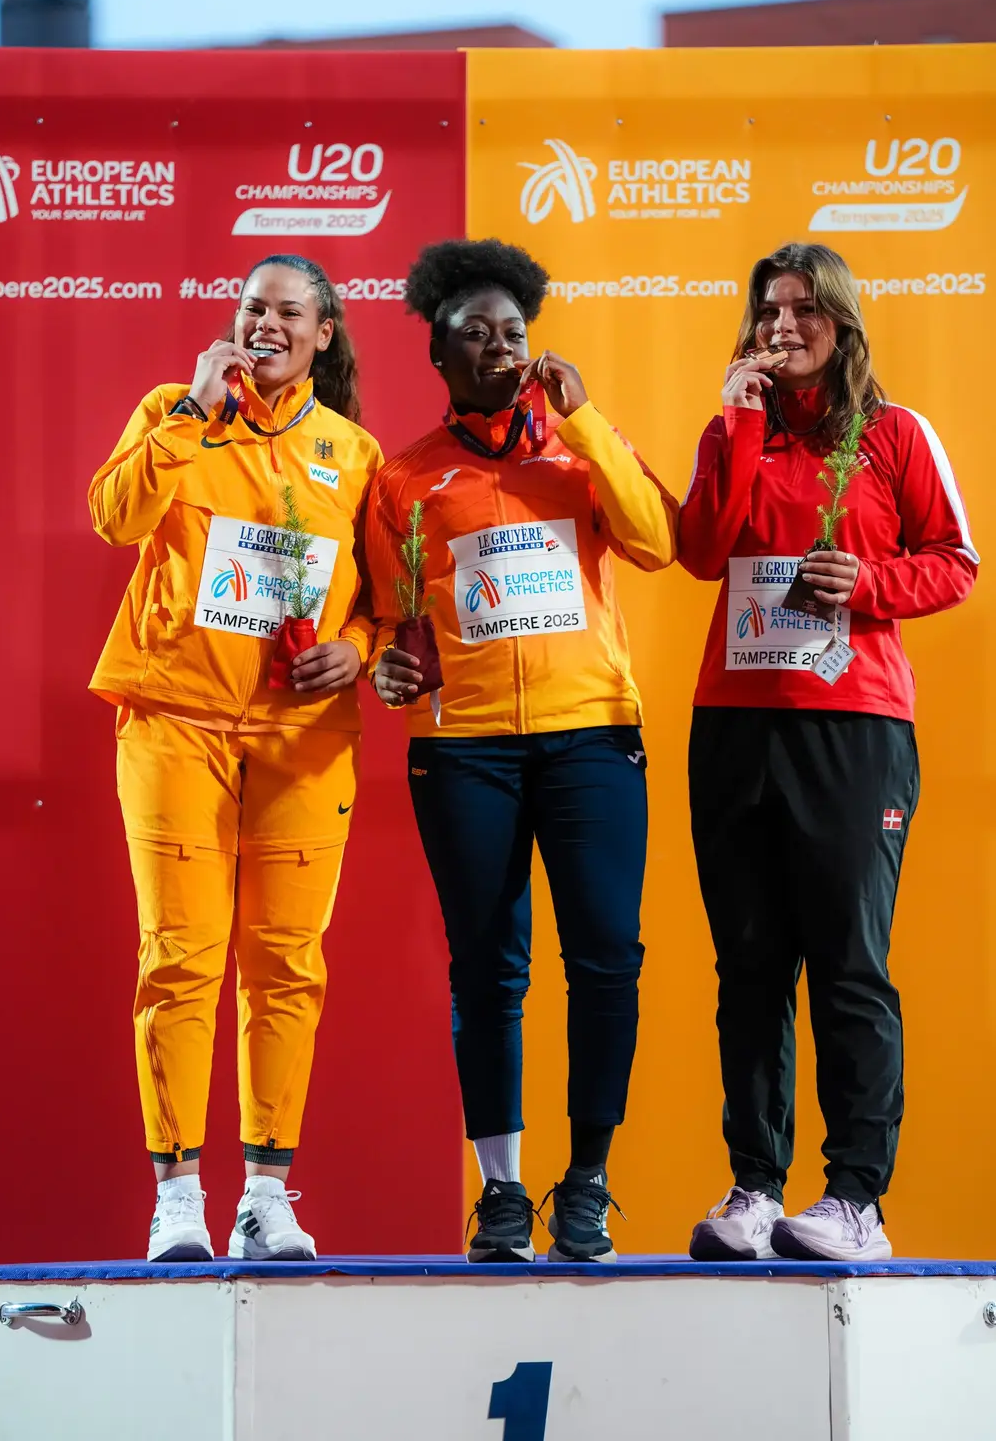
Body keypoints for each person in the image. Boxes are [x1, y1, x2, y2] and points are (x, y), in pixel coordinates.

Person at [361, 238, 676, 1264]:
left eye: (514, 332)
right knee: (489, 970)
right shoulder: (405, 477)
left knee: (604, 960)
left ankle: (585, 1180)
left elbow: (654, 540)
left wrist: (583, 420)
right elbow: (387, 618)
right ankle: (501, 1191)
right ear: (438, 359)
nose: (500, 347)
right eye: (476, 334)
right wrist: (384, 666)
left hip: (590, 738)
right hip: (465, 755)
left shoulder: (581, 448)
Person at [681, 242, 977, 1263]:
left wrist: (867, 585)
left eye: (804, 309)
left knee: (849, 962)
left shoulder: (895, 434)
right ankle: (754, 1186)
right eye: (768, 308)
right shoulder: (734, 428)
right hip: (733, 719)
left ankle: (855, 1196)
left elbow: (956, 561)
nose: (782, 325)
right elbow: (700, 550)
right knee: (749, 966)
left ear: (842, 323)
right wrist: (736, 421)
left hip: (854, 725)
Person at [89, 253, 381, 1262]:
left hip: (301, 733)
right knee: (179, 956)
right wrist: (190, 415)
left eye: (287, 311)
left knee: (286, 964)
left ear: (322, 332)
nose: (266, 323)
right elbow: (114, 516)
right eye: (253, 306)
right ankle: (177, 1196)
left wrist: (365, 650)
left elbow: (389, 600)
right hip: (176, 715)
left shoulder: (355, 451)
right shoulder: (175, 408)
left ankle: (265, 1193)